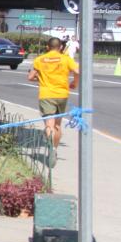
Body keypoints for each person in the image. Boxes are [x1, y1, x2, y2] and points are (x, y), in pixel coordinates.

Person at [27, 37, 80, 167]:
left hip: (46, 95)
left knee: (49, 124)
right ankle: (54, 149)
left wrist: (41, 79)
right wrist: (74, 82)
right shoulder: (66, 59)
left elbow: (30, 77)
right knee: (57, 125)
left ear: (47, 47)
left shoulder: (40, 59)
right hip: (62, 95)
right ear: (61, 47)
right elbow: (78, 71)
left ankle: (49, 139)